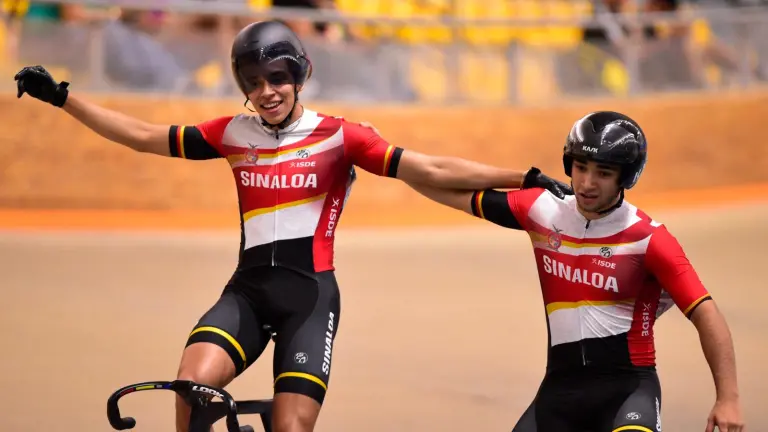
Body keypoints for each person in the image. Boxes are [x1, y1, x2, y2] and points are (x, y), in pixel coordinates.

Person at [13, 19, 572, 432]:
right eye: (253, 83)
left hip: (310, 299)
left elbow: (431, 168)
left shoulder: (341, 136)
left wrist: (522, 176)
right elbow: (142, 135)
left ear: (299, 75)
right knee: (189, 388)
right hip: (247, 294)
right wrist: (64, 98)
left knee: (292, 428)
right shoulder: (232, 133)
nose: (267, 92)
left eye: (276, 78)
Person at [404, 111, 745, 432]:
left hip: (627, 392)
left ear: (626, 177)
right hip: (558, 392)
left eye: (603, 173)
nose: (587, 183)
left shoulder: (649, 238)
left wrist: (728, 398)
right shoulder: (541, 209)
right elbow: (438, 183)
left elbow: (706, 313)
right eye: (580, 167)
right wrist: (522, 178)